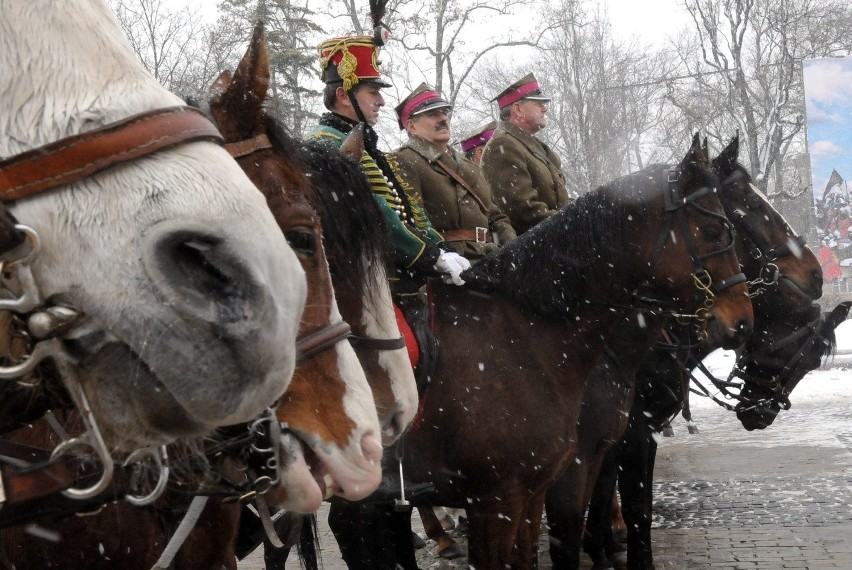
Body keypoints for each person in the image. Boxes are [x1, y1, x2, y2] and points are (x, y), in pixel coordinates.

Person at [308, 33, 470, 289]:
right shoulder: (324, 144)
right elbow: (372, 211)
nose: (381, 101)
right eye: (373, 92)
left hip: (401, 274)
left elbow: (410, 210)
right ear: (342, 95)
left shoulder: (365, 143)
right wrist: (427, 256)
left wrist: (441, 247)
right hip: (372, 281)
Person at [389, 84, 515, 261]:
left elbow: (496, 216)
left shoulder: (468, 166)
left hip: (489, 257)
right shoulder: (405, 160)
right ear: (411, 126)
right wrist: (441, 259)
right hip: (452, 263)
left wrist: (513, 249)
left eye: (444, 112)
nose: (442, 118)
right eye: (432, 114)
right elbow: (415, 224)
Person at [480, 72, 571, 234]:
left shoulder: (534, 146)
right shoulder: (502, 145)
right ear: (518, 109)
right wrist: (570, 222)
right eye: (538, 104)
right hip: (536, 246)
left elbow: (560, 200)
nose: (545, 109)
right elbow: (522, 210)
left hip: (554, 237)